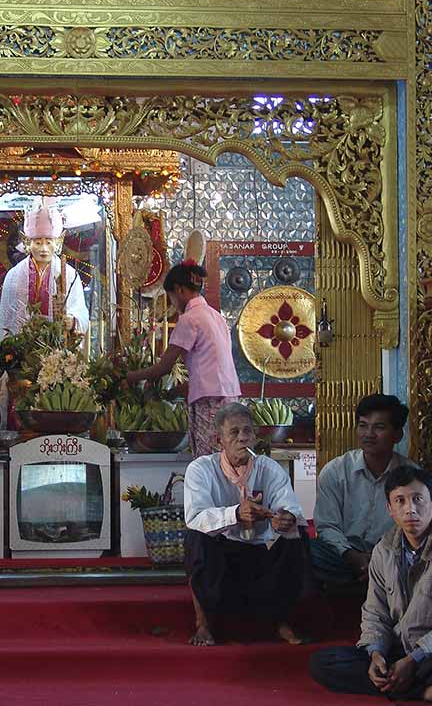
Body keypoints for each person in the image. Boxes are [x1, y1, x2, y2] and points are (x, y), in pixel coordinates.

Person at [309, 466, 432, 706]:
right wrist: (376, 653)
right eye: (400, 501)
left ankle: (404, 684)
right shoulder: (383, 550)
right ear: (390, 509)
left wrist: (414, 659)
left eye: (418, 499)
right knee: (323, 662)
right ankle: (423, 692)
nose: (410, 509)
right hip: (398, 651)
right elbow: (375, 613)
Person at [183, 402, 308, 647]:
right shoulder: (201, 469)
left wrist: (285, 518)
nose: (243, 439)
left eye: (247, 432)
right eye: (234, 433)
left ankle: (282, 621)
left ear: (255, 436)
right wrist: (236, 514)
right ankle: (203, 623)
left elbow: (290, 507)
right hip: (222, 552)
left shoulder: (269, 468)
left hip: (261, 551)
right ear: (219, 440)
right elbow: (196, 516)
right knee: (195, 537)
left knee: (296, 534)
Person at [126, 260, 240, 456]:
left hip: (209, 402)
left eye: (170, 296)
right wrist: (174, 391)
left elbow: (163, 368)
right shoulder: (216, 316)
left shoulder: (190, 319)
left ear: (178, 290)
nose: (172, 303)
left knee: (209, 464)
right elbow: (210, 365)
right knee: (228, 461)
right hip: (230, 399)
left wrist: (129, 377)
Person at [311, 394, 417, 587]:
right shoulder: (335, 471)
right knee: (307, 551)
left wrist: (380, 560)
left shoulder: (412, 477)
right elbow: (327, 526)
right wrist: (353, 557)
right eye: (363, 425)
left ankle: (369, 579)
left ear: (397, 435)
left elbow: (413, 529)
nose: (369, 434)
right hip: (344, 556)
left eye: (379, 427)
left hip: (391, 557)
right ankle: (368, 579)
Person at [0, 199, 89, 338]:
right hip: (21, 347)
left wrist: (72, 320)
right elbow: (7, 318)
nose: (44, 248)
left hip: (57, 346)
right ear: (28, 242)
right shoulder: (13, 276)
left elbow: (81, 312)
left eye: (49, 242)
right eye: (38, 242)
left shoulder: (70, 274)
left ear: (57, 243)